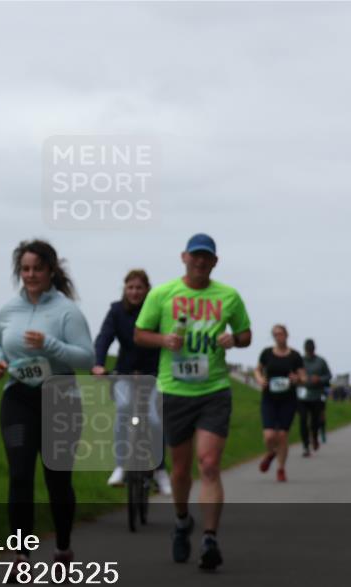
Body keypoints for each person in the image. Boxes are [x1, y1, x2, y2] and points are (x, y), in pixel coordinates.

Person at [134, 234, 251, 570]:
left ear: (215, 262)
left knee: (209, 463)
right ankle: (183, 520)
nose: (200, 262)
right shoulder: (163, 294)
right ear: (184, 257)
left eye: (207, 258)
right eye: (195, 256)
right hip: (175, 391)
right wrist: (163, 339)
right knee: (182, 469)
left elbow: (245, 334)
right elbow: (140, 333)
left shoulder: (228, 296)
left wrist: (233, 339)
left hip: (214, 390)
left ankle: (210, 538)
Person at [0, 240, 94, 565]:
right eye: (25, 269)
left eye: (37, 268)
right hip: (18, 397)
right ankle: (20, 556)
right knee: (20, 473)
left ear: (51, 271)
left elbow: (87, 358)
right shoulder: (8, 310)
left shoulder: (66, 311)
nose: (30, 275)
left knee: (57, 479)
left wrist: (50, 344)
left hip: (60, 397)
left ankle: (63, 546)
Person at [92, 269, 170, 495]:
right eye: (130, 287)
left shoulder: (157, 311)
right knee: (124, 410)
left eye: (139, 288)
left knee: (155, 420)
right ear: (125, 290)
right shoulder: (116, 311)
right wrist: (98, 363)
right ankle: (120, 466)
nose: (134, 292)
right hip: (125, 374)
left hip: (154, 375)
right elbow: (104, 337)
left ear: (147, 290)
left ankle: (160, 470)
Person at [254, 325, 306, 481]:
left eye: (281, 334)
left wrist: (297, 379)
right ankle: (271, 453)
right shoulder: (267, 353)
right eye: (275, 334)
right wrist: (260, 380)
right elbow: (257, 370)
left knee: (283, 435)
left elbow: (303, 378)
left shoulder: (295, 356)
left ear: (286, 335)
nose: (279, 337)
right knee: (269, 436)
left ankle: (281, 469)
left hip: (288, 400)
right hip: (269, 399)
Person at [297, 339, 331, 456]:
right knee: (303, 420)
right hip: (302, 395)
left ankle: (315, 437)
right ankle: (306, 445)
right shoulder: (299, 361)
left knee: (315, 421)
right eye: (308, 349)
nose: (309, 351)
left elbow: (328, 375)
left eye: (311, 349)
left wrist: (320, 379)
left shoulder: (321, 361)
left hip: (317, 395)